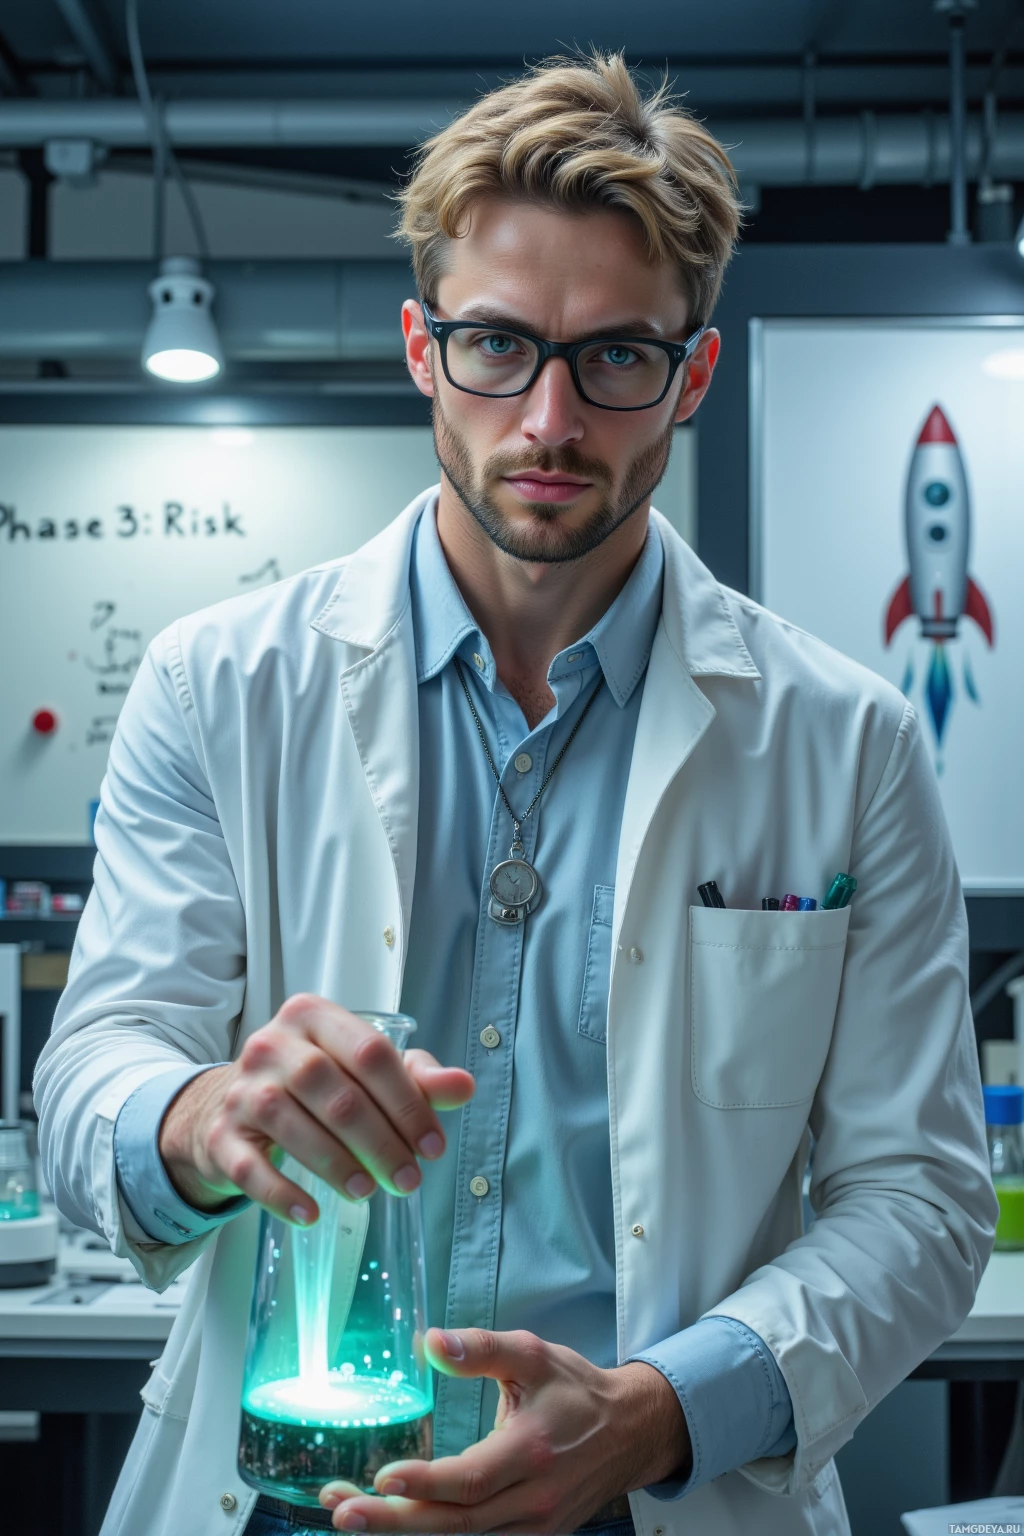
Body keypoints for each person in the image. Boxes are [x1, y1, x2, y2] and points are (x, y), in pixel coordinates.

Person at [35, 52, 996, 1536]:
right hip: (283, 1484)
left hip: (658, 1495)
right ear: (423, 350)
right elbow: (93, 1071)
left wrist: (657, 1416)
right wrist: (204, 1117)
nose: (549, 419)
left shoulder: (845, 740)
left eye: (615, 357)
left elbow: (921, 1200)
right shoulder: (218, 684)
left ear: (693, 375)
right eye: (496, 344)